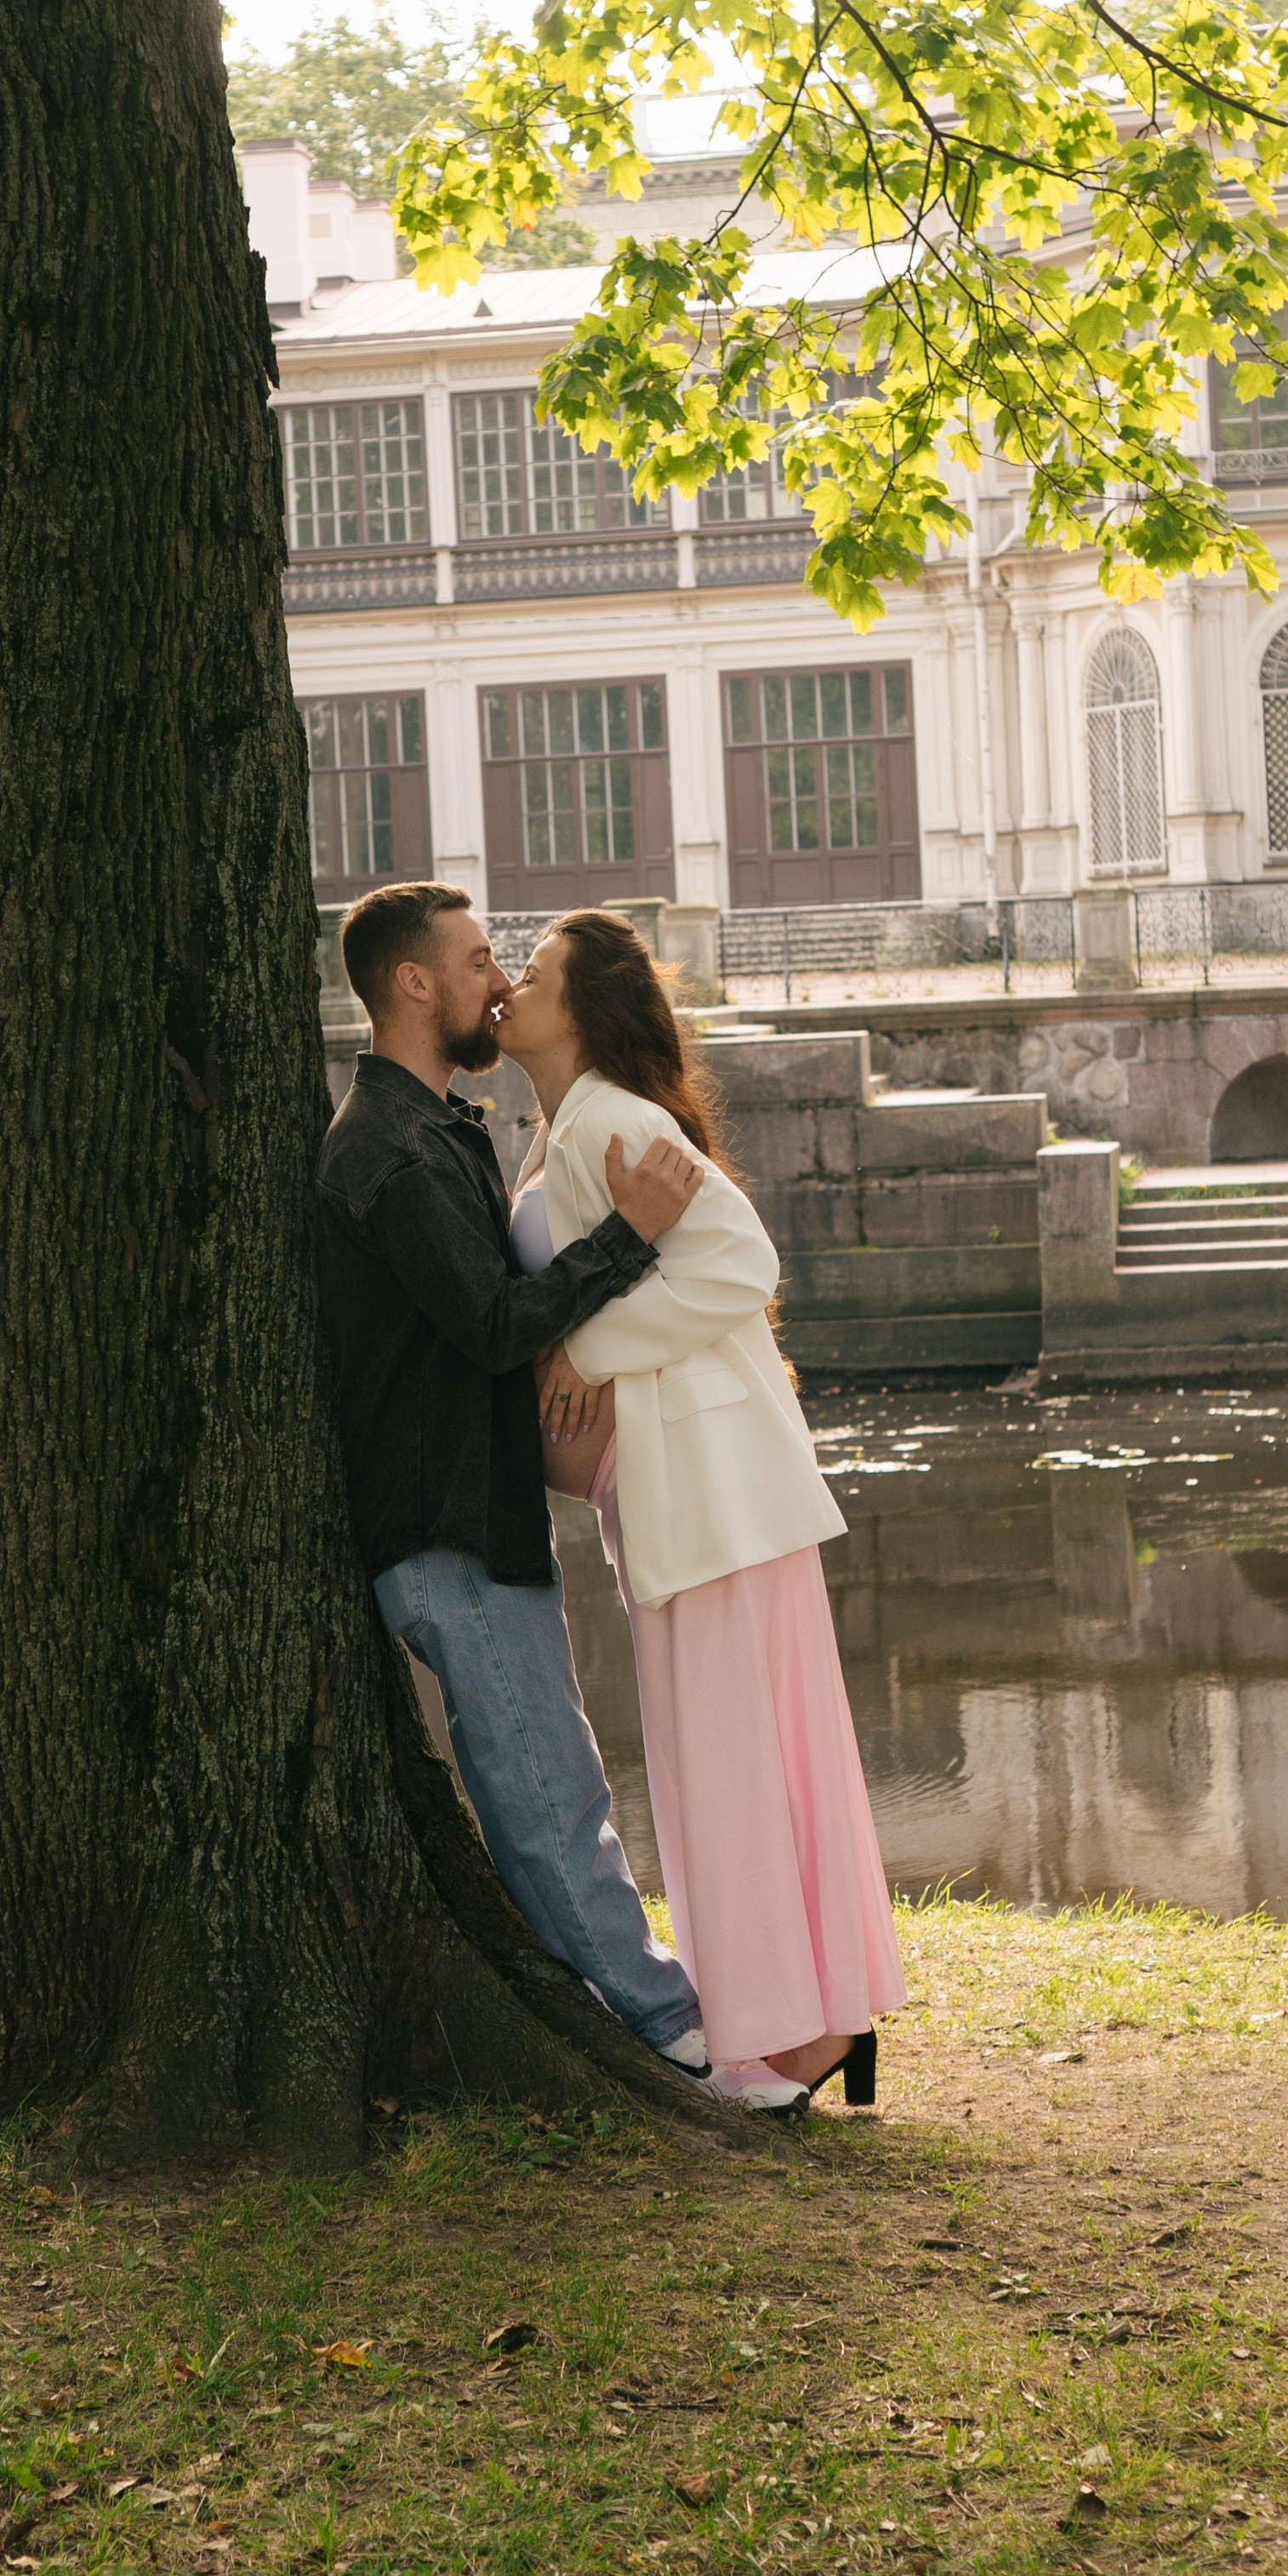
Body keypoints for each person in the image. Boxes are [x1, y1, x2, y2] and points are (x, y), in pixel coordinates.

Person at [497, 909, 907, 2112]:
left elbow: (741, 1265)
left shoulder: (618, 1124)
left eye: (534, 973)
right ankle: (809, 2019)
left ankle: (794, 2036)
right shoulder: (567, 1129)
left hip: (713, 1488)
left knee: (735, 1762)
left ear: (583, 1009)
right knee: (739, 1758)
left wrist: (587, 1354)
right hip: (679, 1488)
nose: (513, 987)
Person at [315, 880, 713, 2078]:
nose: (498, 981)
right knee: (550, 1798)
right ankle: (671, 2031)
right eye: (481, 960)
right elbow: (487, 1321)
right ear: (415, 984)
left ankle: (615, 2018)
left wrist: (571, 1346)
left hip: (474, 1522)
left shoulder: (435, 1127)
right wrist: (628, 1235)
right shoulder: (388, 1149)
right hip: (443, 1534)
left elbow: (487, 1318)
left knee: (549, 1783)